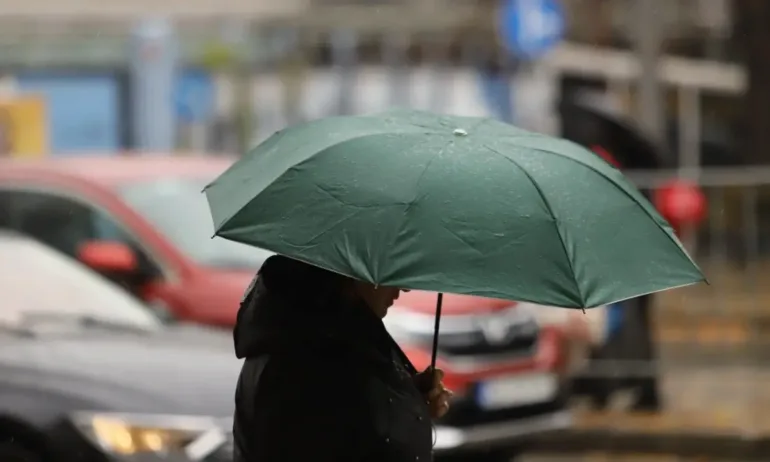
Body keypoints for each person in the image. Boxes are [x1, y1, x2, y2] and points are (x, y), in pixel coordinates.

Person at [233, 254, 453, 462]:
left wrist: (408, 400)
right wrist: (408, 412)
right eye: (389, 267)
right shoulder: (313, 363)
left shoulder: (311, 335)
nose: (405, 288)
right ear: (353, 268)